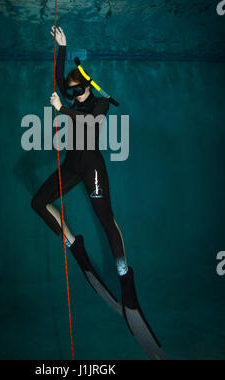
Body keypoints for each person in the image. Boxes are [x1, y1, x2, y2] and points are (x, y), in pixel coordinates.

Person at [31, 27, 167, 360]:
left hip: (92, 168)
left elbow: (87, 122)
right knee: (38, 202)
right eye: (70, 92)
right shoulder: (72, 96)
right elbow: (59, 78)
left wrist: (62, 111)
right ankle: (73, 243)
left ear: (87, 88)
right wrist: (62, 47)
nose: (72, 94)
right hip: (72, 166)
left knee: (107, 222)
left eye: (77, 91)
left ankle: (124, 276)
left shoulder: (101, 103)